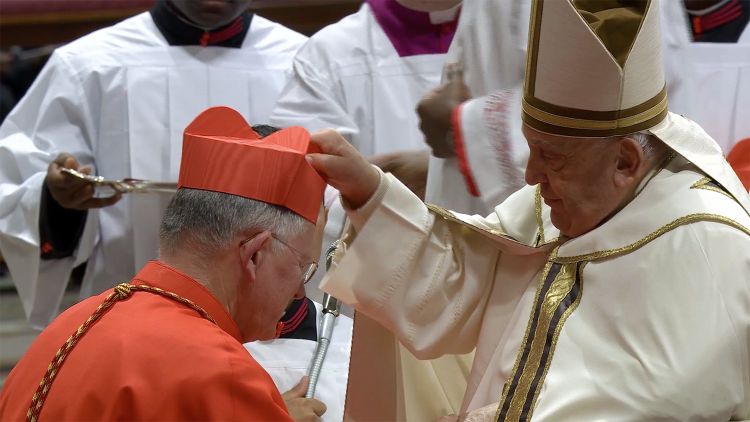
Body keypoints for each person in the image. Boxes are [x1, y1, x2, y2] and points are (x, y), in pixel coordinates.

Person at [306, 0, 750, 420]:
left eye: (551, 156)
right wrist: (370, 194)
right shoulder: (566, 202)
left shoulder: (708, 244)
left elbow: (662, 403)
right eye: (529, 148)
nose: (532, 175)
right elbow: (465, 282)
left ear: (626, 161)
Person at [0, 107, 329, 422]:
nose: (300, 292)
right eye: (301, 268)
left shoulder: (66, 327)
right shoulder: (218, 372)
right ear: (254, 254)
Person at [0, 0, 307, 329]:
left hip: (271, 329)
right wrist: (57, 203)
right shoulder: (88, 64)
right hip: (126, 313)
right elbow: (20, 184)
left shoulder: (303, 63)